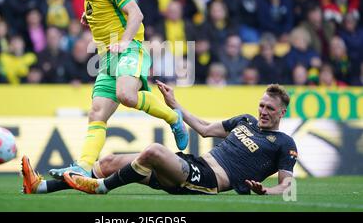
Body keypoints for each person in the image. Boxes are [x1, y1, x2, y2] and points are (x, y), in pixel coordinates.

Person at [47, 0, 188, 180]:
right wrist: (88, 15)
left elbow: (136, 14)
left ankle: (174, 117)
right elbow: (104, 9)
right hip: (107, 57)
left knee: (126, 96)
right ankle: (82, 166)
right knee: (96, 113)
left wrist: (123, 42)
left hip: (130, 48)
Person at [21, 82, 297, 196]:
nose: (262, 112)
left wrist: (266, 191)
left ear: (281, 112)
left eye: (269, 109)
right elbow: (202, 127)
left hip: (209, 181)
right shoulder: (245, 121)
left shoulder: (284, 143)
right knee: (109, 160)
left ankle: (100, 188)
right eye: (261, 105)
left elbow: (287, 183)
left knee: (153, 150)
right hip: (192, 165)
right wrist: (175, 103)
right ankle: (40, 187)